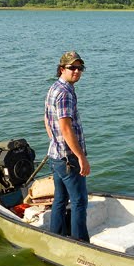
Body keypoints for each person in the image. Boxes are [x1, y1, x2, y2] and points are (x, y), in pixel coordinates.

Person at [44, 51, 90, 241]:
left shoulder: (55, 88)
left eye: (80, 68)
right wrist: (80, 157)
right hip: (68, 159)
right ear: (62, 69)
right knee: (79, 201)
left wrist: (55, 141)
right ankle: (80, 242)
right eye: (72, 68)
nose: (77, 71)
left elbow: (47, 119)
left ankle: (56, 237)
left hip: (56, 156)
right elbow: (65, 128)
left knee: (60, 199)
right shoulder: (65, 94)